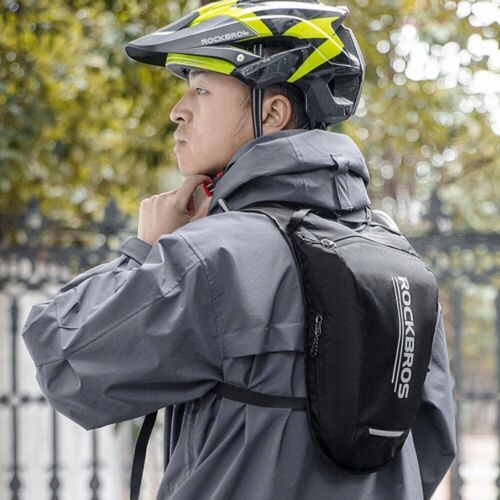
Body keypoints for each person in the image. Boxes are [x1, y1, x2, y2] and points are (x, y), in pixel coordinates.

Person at [22, 0, 456, 499]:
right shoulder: (398, 258)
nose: (178, 110)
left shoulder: (213, 257)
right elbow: (430, 448)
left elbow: (64, 361)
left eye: (201, 89)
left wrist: (142, 249)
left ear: (272, 113)